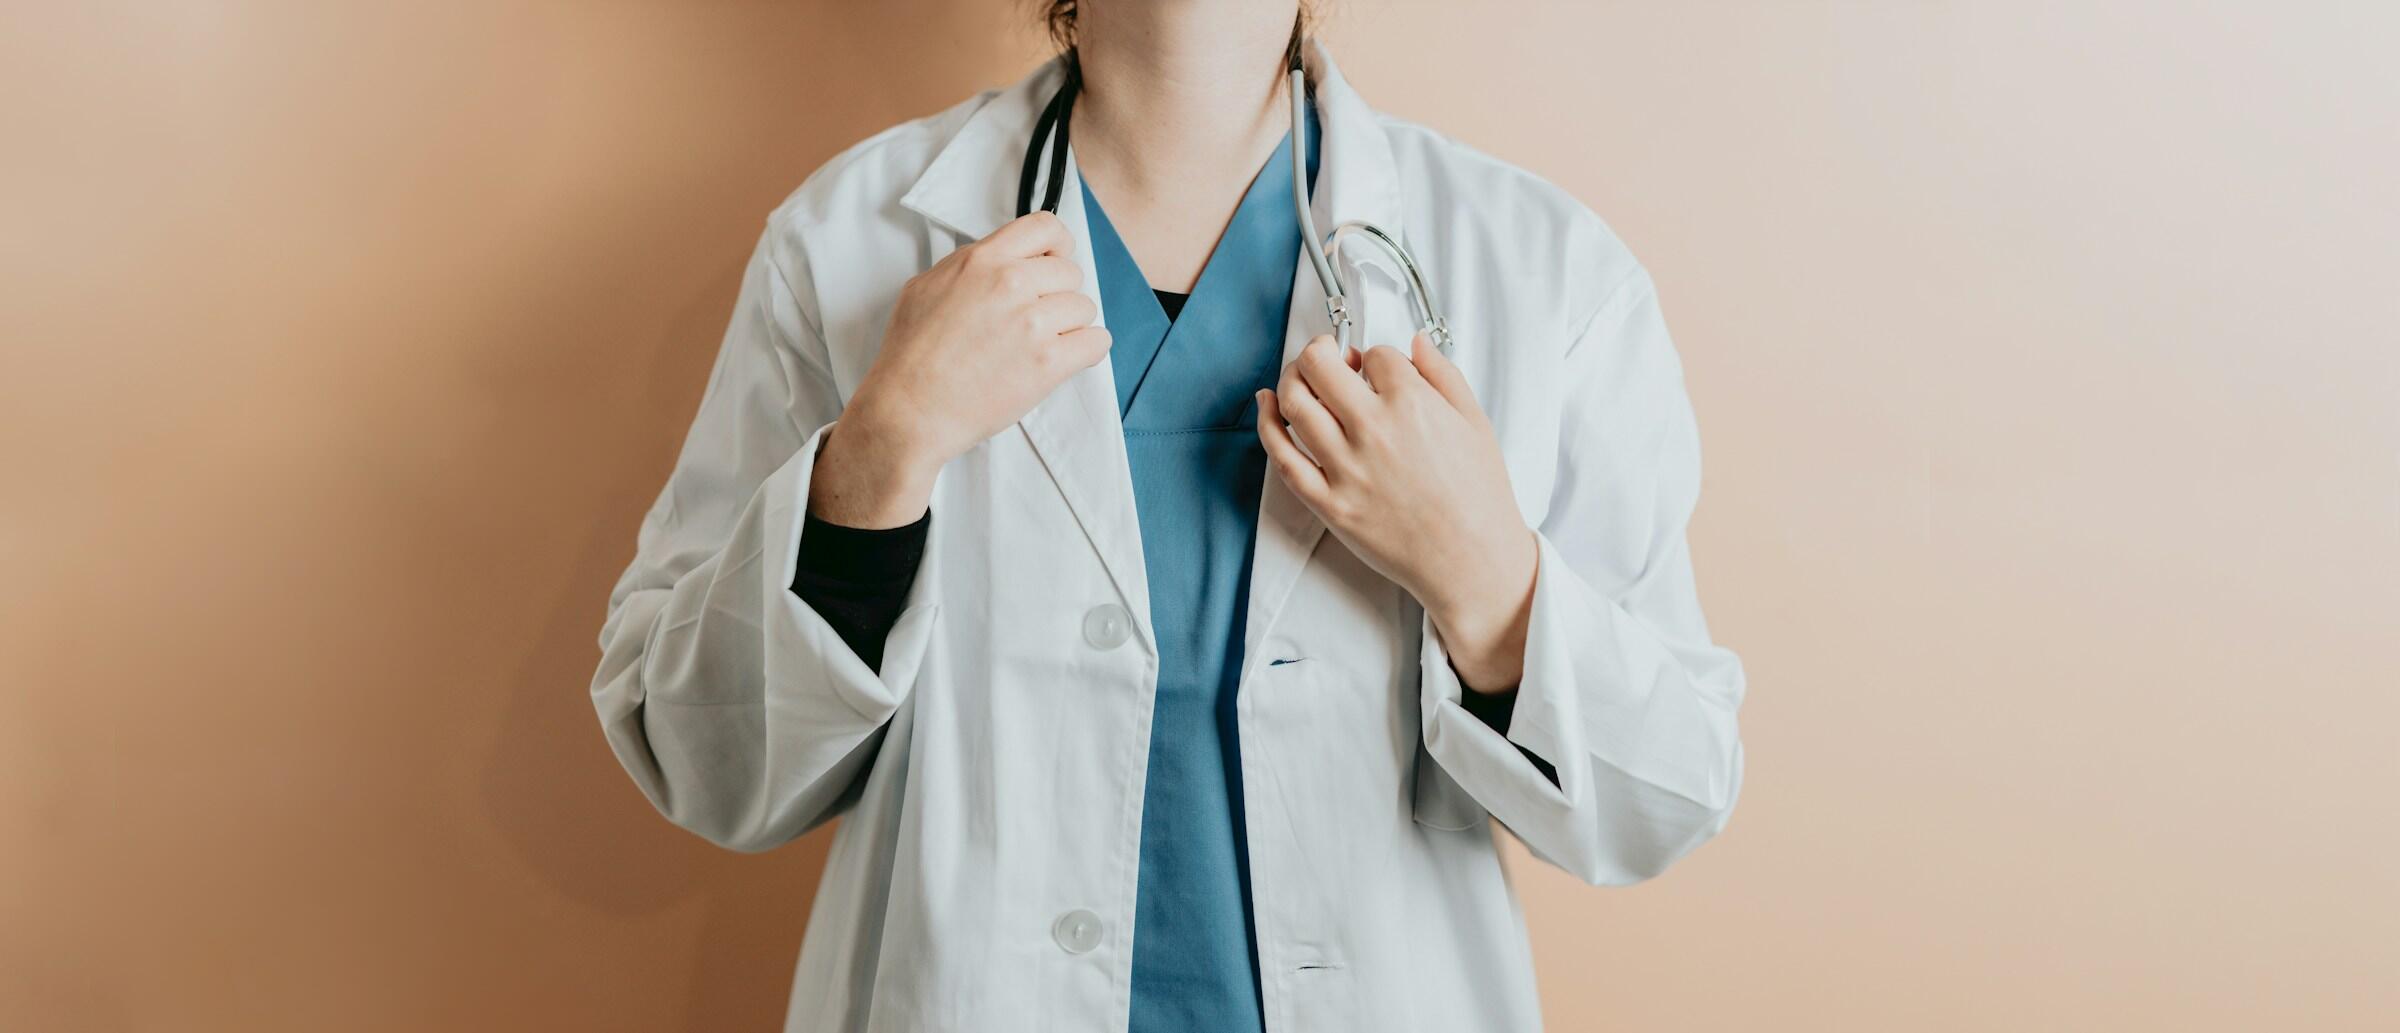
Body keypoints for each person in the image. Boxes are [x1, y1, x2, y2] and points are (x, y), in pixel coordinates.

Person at [590, 2, 1746, 1030]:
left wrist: (1487, 578)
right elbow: (704, 765)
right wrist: (874, 462)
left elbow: (1662, 798)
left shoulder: (1541, 274)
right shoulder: (850, 244)